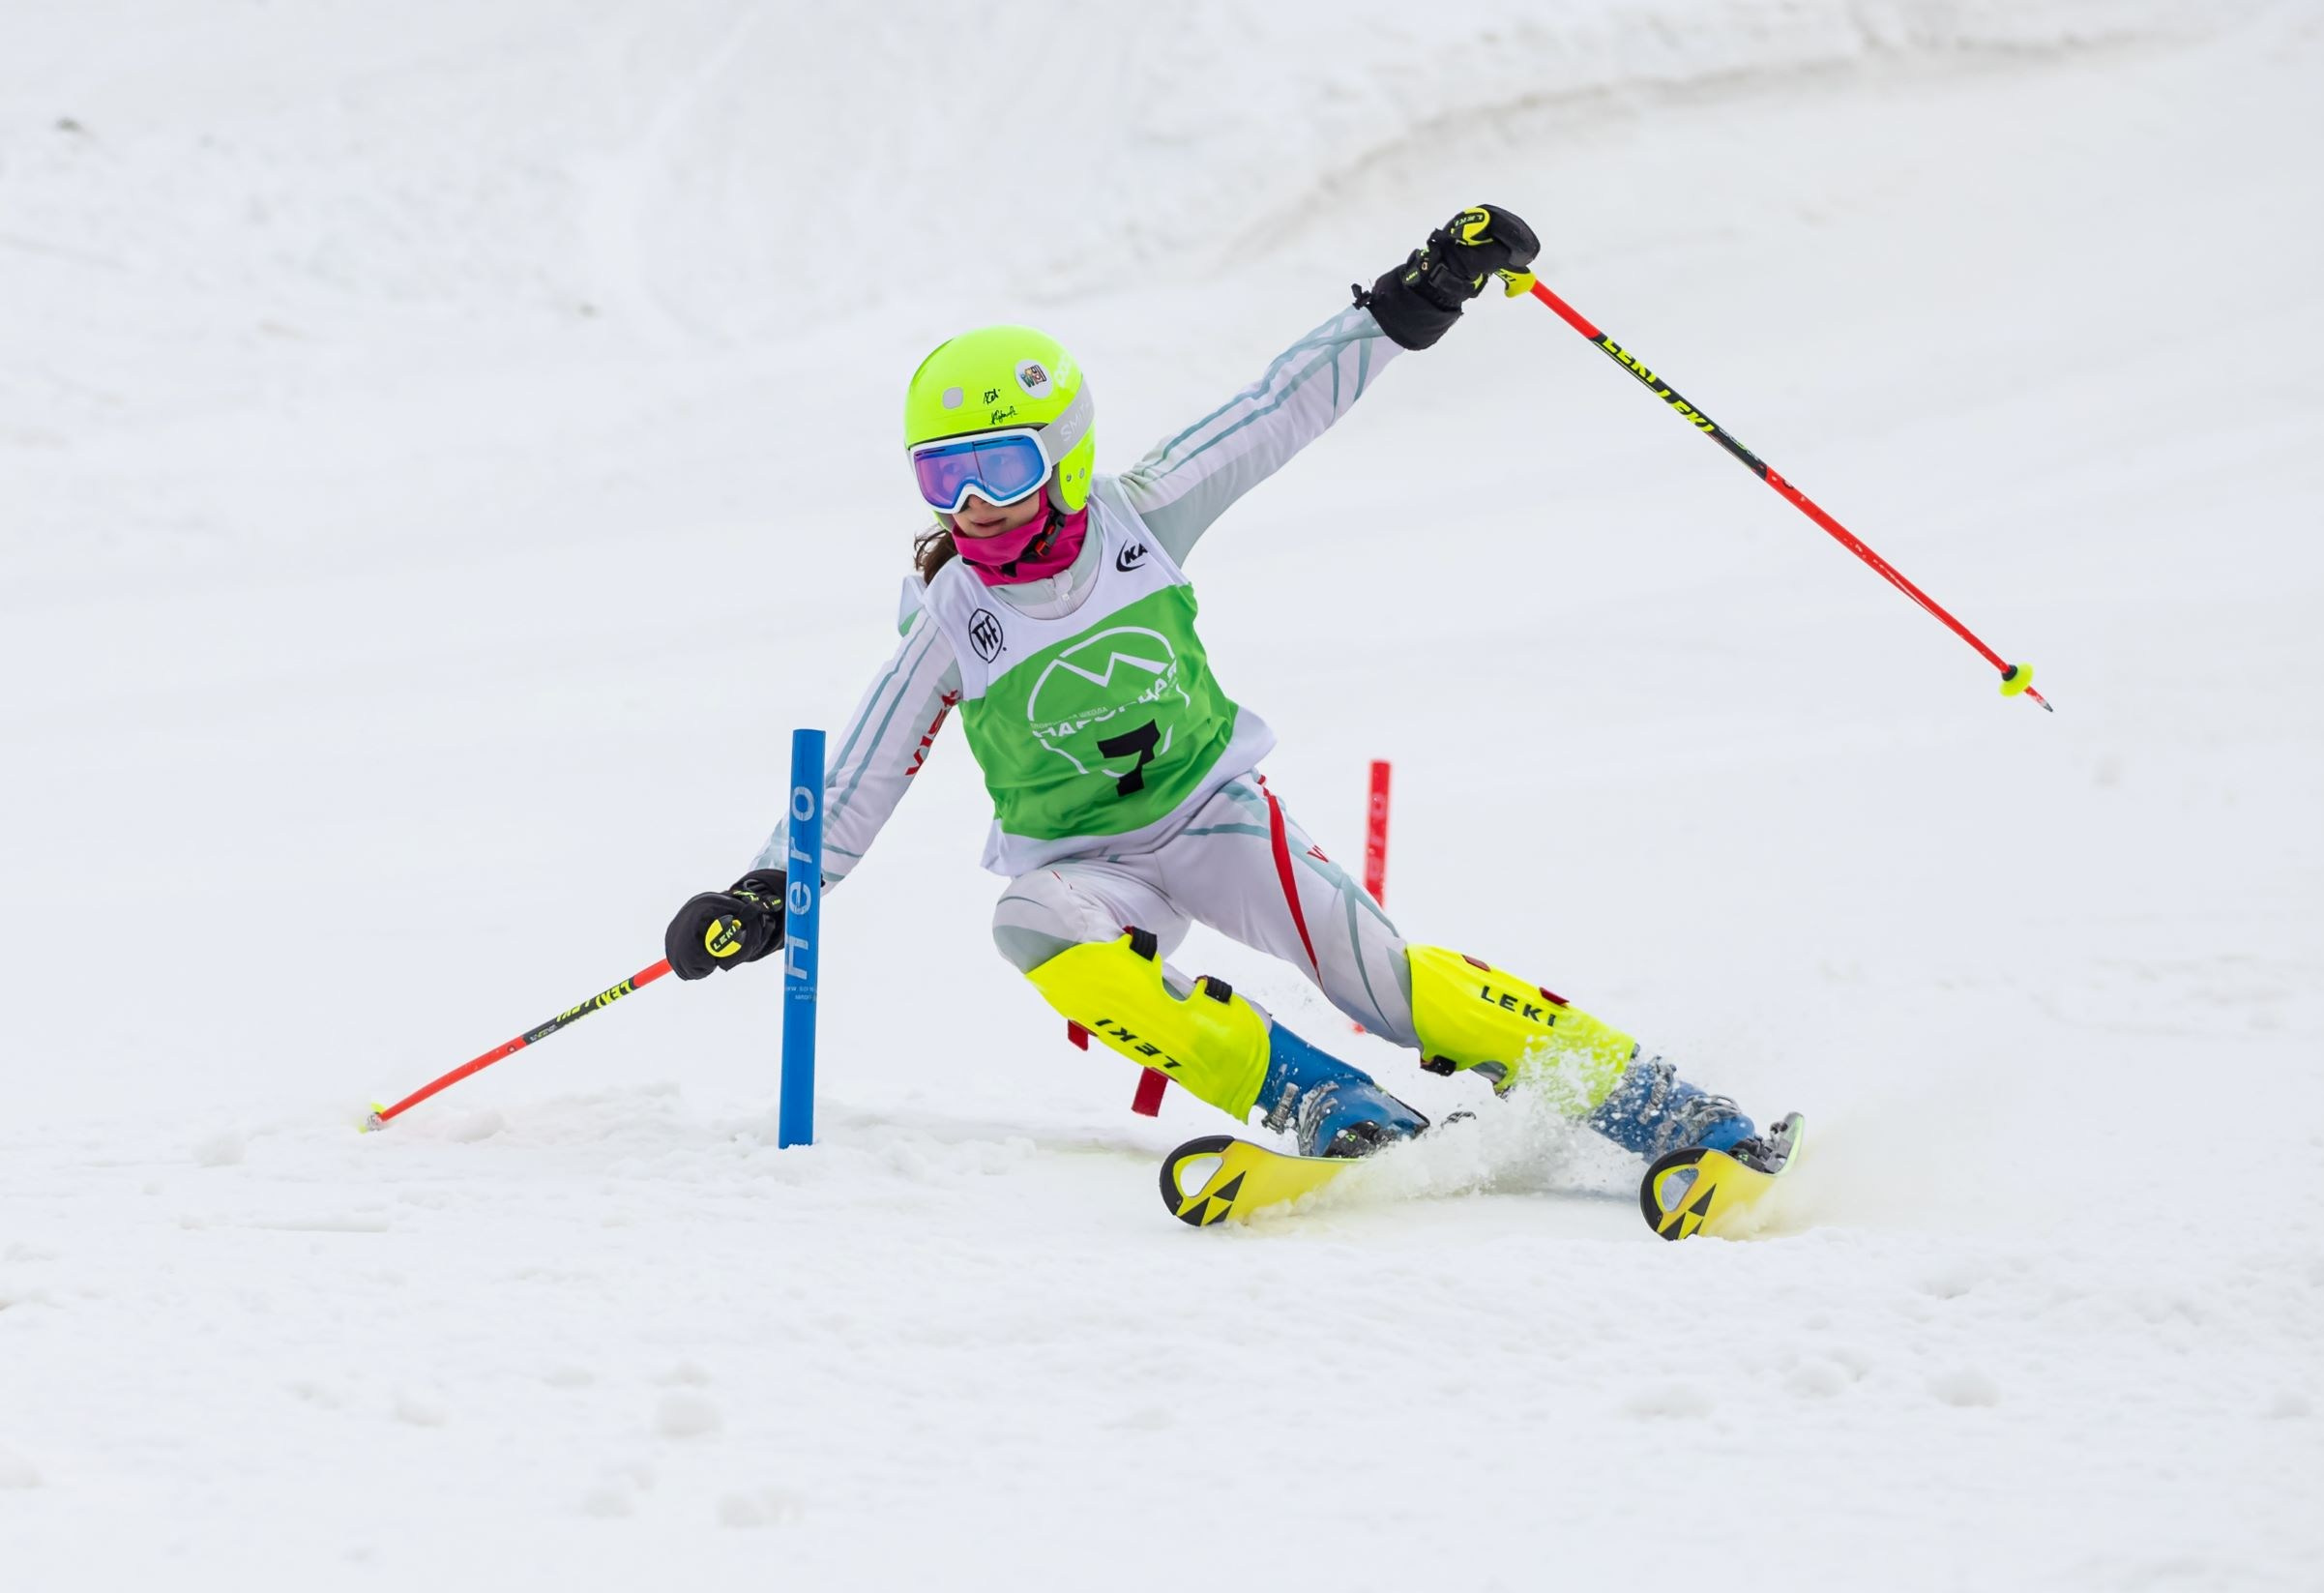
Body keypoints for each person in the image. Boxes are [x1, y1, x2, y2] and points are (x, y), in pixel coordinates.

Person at [662, 206, 1787, 1169]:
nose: (975, 506)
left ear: (1062, 456)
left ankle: (1661, 1107)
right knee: (1028, 926)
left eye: (998, 468)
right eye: (942, 478)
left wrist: (1417, 294)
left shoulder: (1141, 517)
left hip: (1215, 818)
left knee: (1381, 984)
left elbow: (1277, 407)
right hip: (1081, 863)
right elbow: (866, 764)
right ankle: (1320, 1104)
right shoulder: (951, 616)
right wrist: (770, 889)